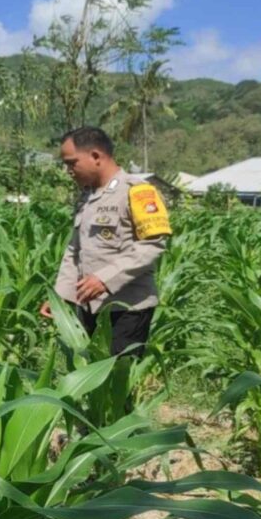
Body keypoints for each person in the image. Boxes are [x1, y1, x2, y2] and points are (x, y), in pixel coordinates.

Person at [39, 126, 172, 357]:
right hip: (89, 305)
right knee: (90, 372)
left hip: (127, 308)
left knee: (117, 383)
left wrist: (104, 278)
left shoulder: (138, 191)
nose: (68, 170)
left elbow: (152, 245)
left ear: (96, 156)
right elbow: (75, 250)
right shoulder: (88, 197)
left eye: (72, 163)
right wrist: (61, 295)